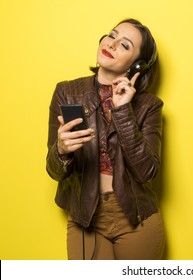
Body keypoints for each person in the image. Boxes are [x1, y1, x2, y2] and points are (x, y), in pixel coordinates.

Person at [46, 18, 165, 260]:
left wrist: (123, 111)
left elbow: (147, 172)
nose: (112, 44)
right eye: (112, 35)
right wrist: (61, 150)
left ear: (137, 66)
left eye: (125, 45)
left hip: (136, 218)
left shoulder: (149, 106)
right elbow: (54, 171)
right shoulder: (66, 92)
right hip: (85, 217)